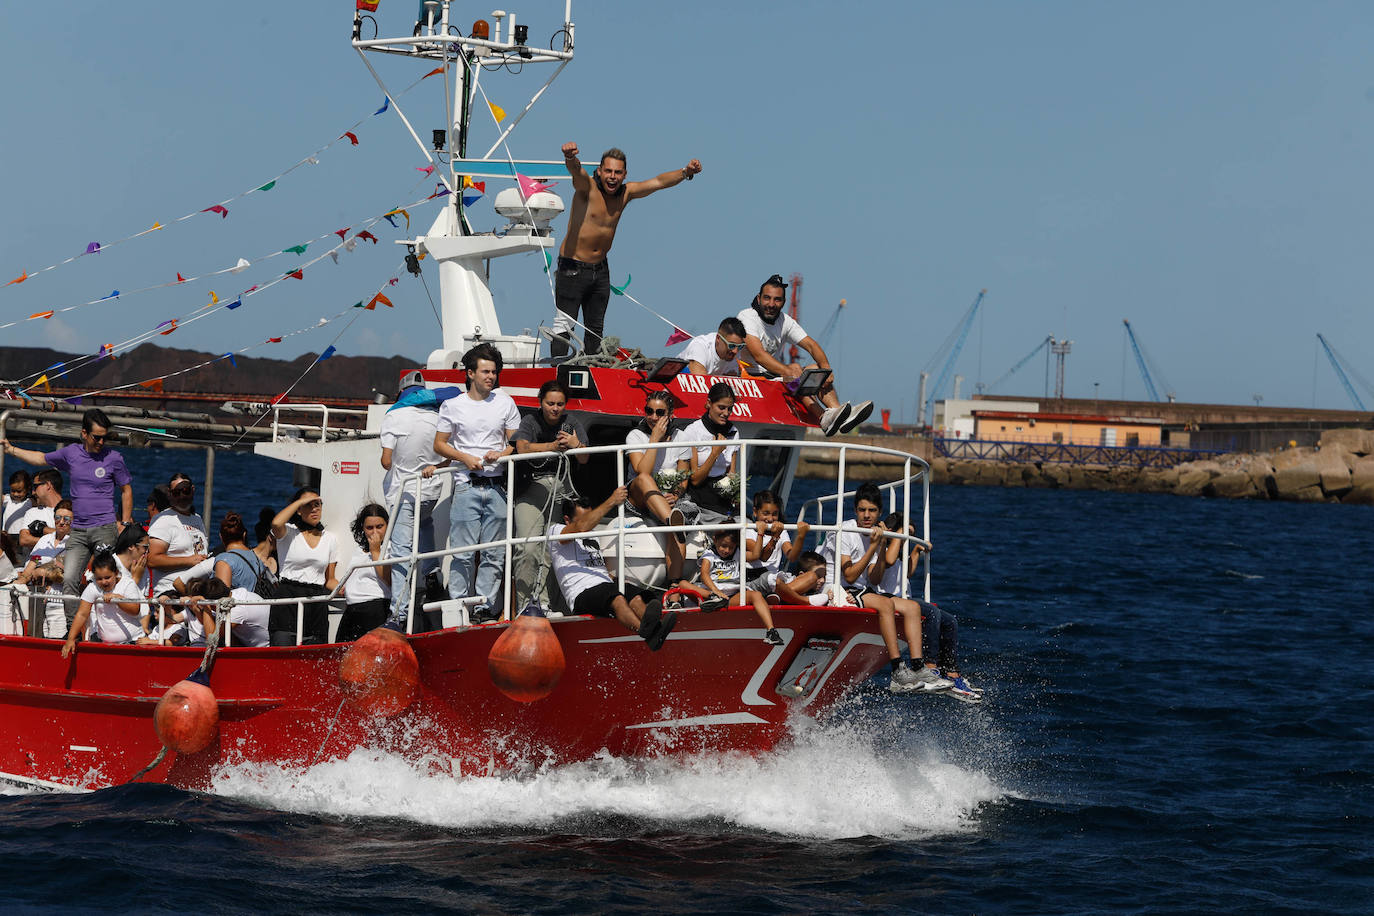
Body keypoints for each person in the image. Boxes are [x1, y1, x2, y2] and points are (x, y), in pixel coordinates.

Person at [551, 143, 703, 359]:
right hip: (572, 268)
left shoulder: (626, 193)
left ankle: (592, 372)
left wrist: (686, 172)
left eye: (618, 172)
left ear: (624, 175)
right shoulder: (588, 189)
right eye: (608, 171)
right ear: (600, 172)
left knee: (595, 330)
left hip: (600, 270)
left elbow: (658, 182)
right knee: (564, 325)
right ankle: (556, 372)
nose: (612, 177)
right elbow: (577, 173)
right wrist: (569, 158)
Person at [2, 409, 135, 622]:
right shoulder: (71, 453)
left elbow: (126, 490)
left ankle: (107, 626)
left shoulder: (113, 458)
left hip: (104, 528)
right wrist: (11, 450)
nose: (101, 442)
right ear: (84, 433)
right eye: (97, 437)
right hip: (79, 531)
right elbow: (40, 458)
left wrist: (125, 523)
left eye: (105, 437)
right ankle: (74, 628)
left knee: (105, 577)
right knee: (70, 578)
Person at [821, 483, 950, 694]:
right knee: (886, 603)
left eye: (872, 511)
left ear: (879, 512)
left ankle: (918, 668)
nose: (866, 515)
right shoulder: (846, 531)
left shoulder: (875, 533)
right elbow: (850, 575)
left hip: (862, 590)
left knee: (912, 608)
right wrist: (873, 545)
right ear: (855, 510)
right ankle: (898, 671)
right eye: (862, 510)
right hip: (839, 588)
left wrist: (881, 546)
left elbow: (876, 577)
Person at [432, 343, 520, 622]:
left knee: (494, 554)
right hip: (466, 485)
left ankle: (484, 608)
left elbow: (517, 442)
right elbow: (439, 444)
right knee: (462, 554)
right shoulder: (452, 405)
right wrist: (465, 458)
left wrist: (503, 452)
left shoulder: (505, 402)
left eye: (494, 372)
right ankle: (458, 608)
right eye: (485, 371)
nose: (491, 377)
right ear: (470, 373)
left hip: (497, 487)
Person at [736, 273, 873, 436]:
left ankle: (837, 413)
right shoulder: (747, 317)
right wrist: (788, 371)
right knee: (794, 369)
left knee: (817, 370)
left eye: (777, 300)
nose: (771, 304)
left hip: (774, 376)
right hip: (749, 378)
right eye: (767, 298)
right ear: (759, 298)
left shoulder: (784, 321)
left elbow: (811, 344)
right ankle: (825, 417)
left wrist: (826, 368)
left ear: (783, 302)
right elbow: (758, 355)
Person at [547, 487, 678, 651]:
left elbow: (595, 562)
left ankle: (656, 631)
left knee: (637, 596)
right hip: (581, 592)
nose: (591, 521)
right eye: (585, 517)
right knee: (617, 598)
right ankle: (648, 633)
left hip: (604, 585)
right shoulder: (556, 531)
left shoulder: (592, 534)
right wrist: (612, 500)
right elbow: (581, 527)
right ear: (567, 519)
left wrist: (614, 579)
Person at [875, 512, 981, 703]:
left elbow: (906, 572)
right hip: (889, 598)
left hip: (905, 598)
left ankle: (952, 674)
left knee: (950, 621)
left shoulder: (898, 551)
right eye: (906, 532)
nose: (907, 535)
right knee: (932, 612)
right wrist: (899, 534)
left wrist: (915, 550)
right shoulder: (885, 548)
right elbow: (889, 561)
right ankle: (929, 667)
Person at [512, 380, 588, 612]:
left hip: (562, 489)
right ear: (540, 402)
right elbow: (522, 448)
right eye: (550, 403)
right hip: (532, 488)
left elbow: (584, 458)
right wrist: (552, 446)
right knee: (528, 547)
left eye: (560, 404)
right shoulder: (529, 421)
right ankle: (527, 606)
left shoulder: (572, 422)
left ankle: (546, 604)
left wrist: (575, 444)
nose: (555, 408)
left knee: (553, 550)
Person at [380, 371, 447, 631]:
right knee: (426, 525)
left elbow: (386, 460)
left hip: (403, 491)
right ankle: (432, 576)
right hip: (431, 491)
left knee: (401, 552)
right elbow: (446, 459)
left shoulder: (394, 416)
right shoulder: (437, 417)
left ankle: (398, 612)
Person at [674, 528, 782, 645]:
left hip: (731, 597)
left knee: (756, 595)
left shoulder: (738, 553)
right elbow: (704, 575)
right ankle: (713, 600)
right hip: (711, 594)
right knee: (682, 584)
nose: (727, 550)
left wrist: (760, 533)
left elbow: (756, 555)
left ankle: (771, 631)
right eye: (724, 546)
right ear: (715, 540)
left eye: (731, 547)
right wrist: (715, 592)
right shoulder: (709, 554)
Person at [624, 389, 687, 577]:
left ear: (670, 415)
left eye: (659, 413)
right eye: (648, 411)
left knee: (676, 528)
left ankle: (674, 588)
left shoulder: (680, 437)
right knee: (644, 478)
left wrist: (675, 494)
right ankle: (671, 521)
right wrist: (654, 439)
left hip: (667, 501)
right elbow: (641, 470)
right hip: (638, 496)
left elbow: (683, 477)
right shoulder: (635, 435)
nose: (653, 417)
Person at [268, 488, 339, 645]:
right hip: (288, 596)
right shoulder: (289, 532)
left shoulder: (330, 539)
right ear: (299, 509)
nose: (314, 509)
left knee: (313, 655)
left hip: (316, 600)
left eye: (317, 504)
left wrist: (346, 588)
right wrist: (300, 501)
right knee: (283, 651)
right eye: (308, 505)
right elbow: (276, 523)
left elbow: (330, 579)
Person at [60, 551, 145, 655]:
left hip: (132, 642)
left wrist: (117, 599)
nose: (104, 582)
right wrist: (71, 639)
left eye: (107, 577)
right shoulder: (93, 587)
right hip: (105, 645)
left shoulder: (128, 583)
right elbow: (82, 614)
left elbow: (135, 610)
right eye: (99, 579)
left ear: (116, 573)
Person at [11, 499, 74, 637]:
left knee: (56, 643)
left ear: (73, 521)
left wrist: (41, 571)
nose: (61, 522)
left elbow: (69, 575)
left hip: (60, 604)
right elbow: (31, 566)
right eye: (58, 517)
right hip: (38, 601)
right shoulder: (44, 540)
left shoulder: (75, 543)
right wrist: (16, 582)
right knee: (36, 643)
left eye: (67, 519)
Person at [678, 382, 742, 518]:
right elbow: (695, 480)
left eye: (730, 409)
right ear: (708, 404)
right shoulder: (693, 431)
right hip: (699, 493)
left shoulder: (733, 431)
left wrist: (735, 494)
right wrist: (715, 453)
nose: (726, 413)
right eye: (721, 408)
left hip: (721, 494)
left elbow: (731, 472)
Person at [146, 474, 209, 599]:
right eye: (176, 492)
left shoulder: (197, 519)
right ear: (170, 494)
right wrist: (188, 561)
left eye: (185, 491)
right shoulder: (163, 520)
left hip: (197, 592)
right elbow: (152, 559)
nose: (182, 496)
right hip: (171, 593)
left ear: (192, 490)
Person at [336, 504, 392, 641]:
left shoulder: (391, 548)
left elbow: (388, 579)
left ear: (387, 526)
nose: (374, 532)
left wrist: (375, 551)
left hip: (375, 607)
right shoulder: (359, 551)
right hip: (352, 609)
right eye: (369, 528)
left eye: (379, 527)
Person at [744, 489, 809, 596]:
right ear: (755, 512)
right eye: (766, 513)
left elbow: (792, 557)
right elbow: (762, 556)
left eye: (775, 514)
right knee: (774, 580)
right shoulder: (748, 531)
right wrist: (775, 537)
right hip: (755, 580)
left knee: (811, 576)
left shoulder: (781, 531)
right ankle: (787, 595)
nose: (770, 519)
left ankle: (778, 593)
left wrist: (801, 536)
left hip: (775, 578)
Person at [773, 550, 858, 607]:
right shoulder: (788, 582)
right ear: (802, 575)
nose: (823, 580)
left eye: (824, 576)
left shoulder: (822, 592)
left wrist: (847, 598)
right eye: (818, 576)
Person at [677, 317, 747, 377]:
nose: (735, 351)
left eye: (740, 346)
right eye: (731, 345)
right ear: (718, 338)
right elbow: (700, 384)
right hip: (675, 379)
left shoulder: (735, 352)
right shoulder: (700, 346)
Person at [16, 469, 63, 555]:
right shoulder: (32, 513)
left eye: (35, 486)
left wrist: (43, 530)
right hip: (36, 564)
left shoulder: (73, 510)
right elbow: (24, 540)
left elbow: (75, 538)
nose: (33, 492)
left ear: (48, 485)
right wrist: (59, 539)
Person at [3, 470, 33, 539]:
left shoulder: (30, 502)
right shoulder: (8, 500)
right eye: (13, 491)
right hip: (7, 536)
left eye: (19, 491)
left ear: (27, 489)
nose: (15, 494)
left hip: (22, 536)